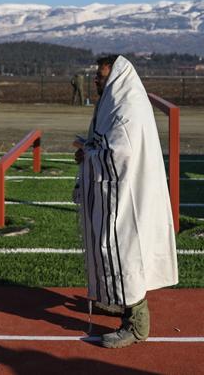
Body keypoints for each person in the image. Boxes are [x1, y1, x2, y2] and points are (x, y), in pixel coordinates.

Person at [72, 55, 178, 348]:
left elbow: (121, 154)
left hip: (127, 196)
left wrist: (88, 151)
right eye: (96, 75)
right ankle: (116, 298)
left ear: (116, 78)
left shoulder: (127, 108)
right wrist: (89, 147)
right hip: (117, 192)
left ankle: (136, 324)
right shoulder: (115, 103)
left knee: (124, 249)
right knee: (111, 246)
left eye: (101, 76)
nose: (96, 80)